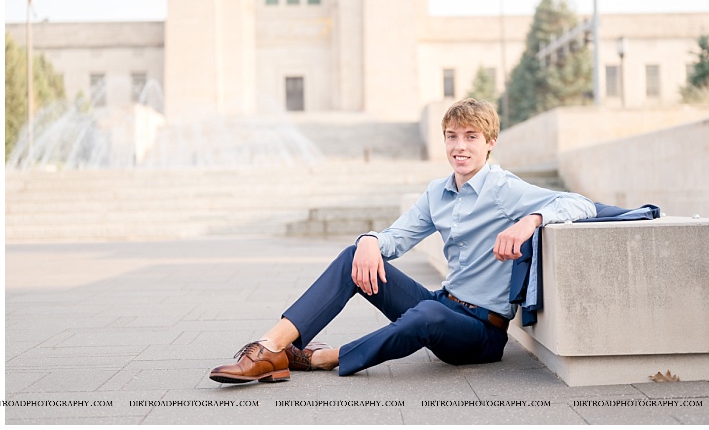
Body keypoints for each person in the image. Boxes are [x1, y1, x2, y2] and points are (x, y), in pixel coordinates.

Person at [209, 98, 596, 384]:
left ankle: (326, 357)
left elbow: (580, 203)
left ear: (490, 142)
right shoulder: (437, 193)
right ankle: (271, 348)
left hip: (481, 332)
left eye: (471, 137)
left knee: (426, 316)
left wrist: (530, 220)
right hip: (444, 303)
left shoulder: (503, 188)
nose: (459, 146)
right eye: (452, 136)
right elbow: (396, 238)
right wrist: (368, 240)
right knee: (353, 258)